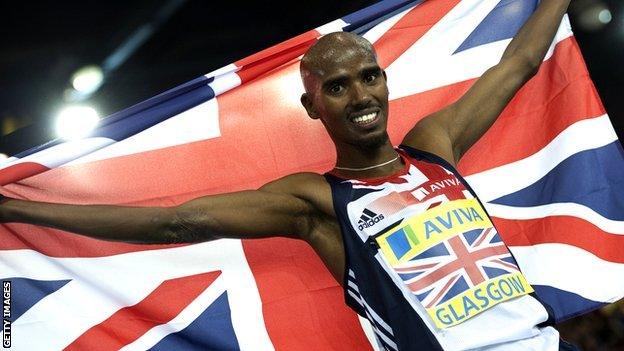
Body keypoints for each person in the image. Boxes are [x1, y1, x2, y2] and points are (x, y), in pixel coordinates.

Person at [0, 0, 576, 350]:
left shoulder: (433, 146)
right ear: (311, 107)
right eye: (336, 86)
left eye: (369, 77)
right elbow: (177, 222)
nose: (360, 95)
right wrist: (19, 209)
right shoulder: (317, 202)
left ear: (384, 80)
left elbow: (518, 63)